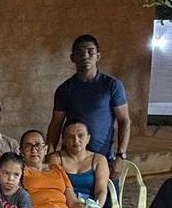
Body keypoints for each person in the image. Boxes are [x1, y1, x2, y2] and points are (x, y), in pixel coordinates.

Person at [47, 34, 131, 178]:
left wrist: (121, 155)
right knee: (69, 192)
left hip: (103, 155)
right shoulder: (65, 89)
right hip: (71, 159)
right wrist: (50, 152)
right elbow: (56, 123)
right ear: (72, 58)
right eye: (79, 52)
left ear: (98, 56)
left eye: (90, 52)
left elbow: (124, 120)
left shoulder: (111, 86)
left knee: (106, 191)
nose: (85, 56)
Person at [54, 118, 112, 208]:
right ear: (63, 140)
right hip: (64, 203)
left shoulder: (99, 160)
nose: (76, 140)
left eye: (81, 136)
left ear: (88, 138)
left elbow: (101, 191)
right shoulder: (56, 159)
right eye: (70, 137)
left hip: (90, 203)